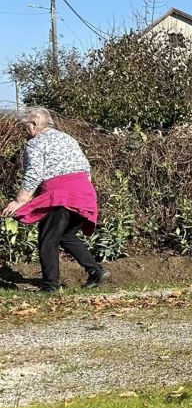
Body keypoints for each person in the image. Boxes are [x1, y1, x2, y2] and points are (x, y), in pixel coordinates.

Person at [2, 107, 108, 291]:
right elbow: (86, 168)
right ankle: (96, 271)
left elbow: (33, 173)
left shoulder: (36, 143)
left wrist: (20, 201)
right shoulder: (67, 138)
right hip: (84, 193)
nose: (23, 129)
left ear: (34, 124)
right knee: (66, 235)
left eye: (25, 125)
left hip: (61, 196)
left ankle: (50, 286)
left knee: (47, 240)